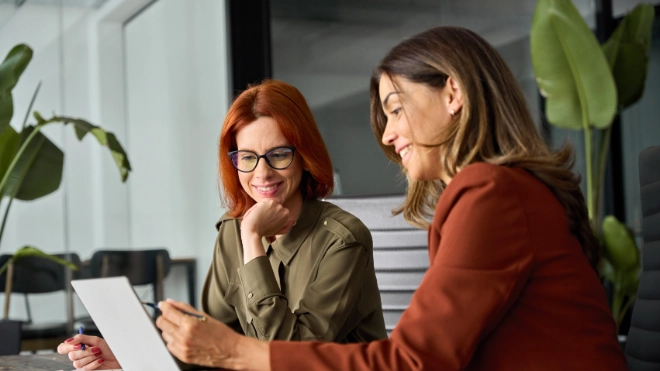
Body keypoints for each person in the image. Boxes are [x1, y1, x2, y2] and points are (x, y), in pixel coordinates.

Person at [150, 26, 628, 370]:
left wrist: (233, 351)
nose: (389, 134)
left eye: (396, 109)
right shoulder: (503, 191)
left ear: (453, 93)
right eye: (246, 158)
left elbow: (414, 359)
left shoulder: (492, 193)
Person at [58, 80, 386, 370]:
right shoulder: (232, 230)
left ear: (304, 155)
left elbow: (290, 357)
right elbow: (211, 344)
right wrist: (129, 357)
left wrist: (253, 239)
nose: (262, 173)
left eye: (279, 154)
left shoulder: (343, 240)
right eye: (247, 157)